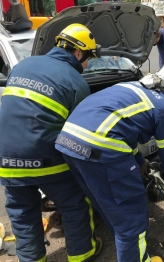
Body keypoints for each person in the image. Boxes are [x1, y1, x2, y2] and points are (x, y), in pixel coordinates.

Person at [54, 58, 164, 261]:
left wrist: (140, 162)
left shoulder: (132, 86)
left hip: (68, 141)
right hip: (99, 145)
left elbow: (120, 128)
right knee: (132, 219)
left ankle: (127, 247)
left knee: (109, 207)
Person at [0, 24, 102, 262]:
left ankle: (32, 259)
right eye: (88, 59)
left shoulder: (22, 66)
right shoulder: (75, 81)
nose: (87, 65)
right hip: (47, 159)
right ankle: (83, 254)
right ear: (78, 53)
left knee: (22, 212)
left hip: (6, 158)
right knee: (75, 204)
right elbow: (80, 131)